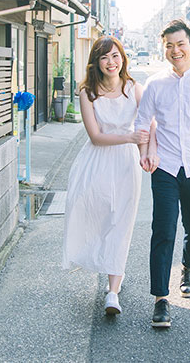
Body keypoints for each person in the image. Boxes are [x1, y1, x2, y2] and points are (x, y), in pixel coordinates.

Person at [135, 19, 190, 328]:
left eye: (180, 44)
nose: (175, 51)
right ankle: (160, 299)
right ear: (165, 49)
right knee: (163, 229)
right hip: (166, 167)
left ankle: (187, 267)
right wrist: (144, 154)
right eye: (169, 46)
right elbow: (142, 123)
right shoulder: (155, 84)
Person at [62, 36, 157, 316]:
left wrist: (145, 153)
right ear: (96, 62)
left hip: (126, 164)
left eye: (115, 56)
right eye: (104, 57)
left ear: (123, 58)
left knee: (121, 221)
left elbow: (149, 125)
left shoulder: (134, 88)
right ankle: (104, 262)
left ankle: (113, 290)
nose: (111, 62)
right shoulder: (87, 93)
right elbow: (96, 136)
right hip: (96, 161)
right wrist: (130, 138)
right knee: (96, 214)